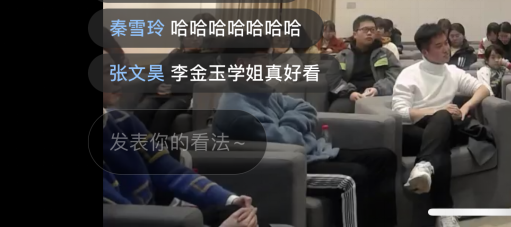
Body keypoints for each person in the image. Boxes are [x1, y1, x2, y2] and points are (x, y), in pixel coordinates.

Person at [212, 35, 398, 227]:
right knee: (353, 176)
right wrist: (293, 125)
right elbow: (290, 142)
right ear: (242, 63)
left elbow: (306, 108)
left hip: (312, 155)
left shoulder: (260, 91)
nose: (270, 63)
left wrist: (286, 124)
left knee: (383, 157)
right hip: (284, 170)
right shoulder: (237, 111)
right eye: (264, 58)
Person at [393, 23, 492, 227]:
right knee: (440, 141)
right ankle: (445, 212)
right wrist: (438, 110)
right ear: (425, 52)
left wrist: (465, 107)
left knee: (442, 123)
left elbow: (483, 89)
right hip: (417, 129)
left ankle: (424, 166)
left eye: (446, 43)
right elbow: (400, 112)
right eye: (439, 46)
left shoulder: (452, 71)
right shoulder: (409, 74)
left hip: (448, 127)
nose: (446, 48)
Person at [102, 107, 268, 227]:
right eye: (106, 73)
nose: (118, 77)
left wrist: (231, 200)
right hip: (145, 220)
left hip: (160, 213)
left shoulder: (121, 120)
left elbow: (169, 171)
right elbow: (123, 219)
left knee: (242, 215)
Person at [135, 13, 216, 135]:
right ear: (182, 40)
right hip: (160, 94)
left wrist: (173, 88)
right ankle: (135, 141)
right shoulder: (174, 55)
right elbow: (155, 72)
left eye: (198, 35)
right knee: (142, 109)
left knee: (164, 112)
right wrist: (157, 86)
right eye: (191, 36)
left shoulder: (207, 58)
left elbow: (199, 83)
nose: (195, 38)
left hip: (182, 96)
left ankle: (155, 144)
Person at [330, 15, 402, 113]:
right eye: (365, 30)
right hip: (349, 96)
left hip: (378, 96)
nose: (369, 33)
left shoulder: (386, 54)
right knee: (336, 110)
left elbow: (395, 77)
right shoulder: (342, 56)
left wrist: (377, 89)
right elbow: (334, 79)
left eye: (372, 30)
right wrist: (350, 93)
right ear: (355, 34)